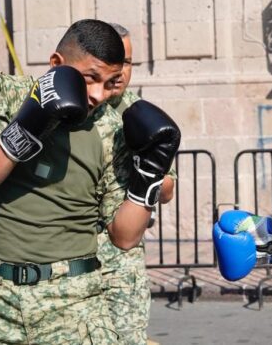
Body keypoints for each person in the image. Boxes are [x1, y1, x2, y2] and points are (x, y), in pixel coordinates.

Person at [0, 19, 180, 343]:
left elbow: (125, 237)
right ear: (57, 63)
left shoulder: (112, 129)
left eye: (110, 82)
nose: (98, 94)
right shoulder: (5, 95)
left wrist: (149, 177)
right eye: (90, 78)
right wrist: (29, 124)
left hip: (73, 302)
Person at [98, 22, 176, 345]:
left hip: (121, 262)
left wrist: (149, 167)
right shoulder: (75, 109)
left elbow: (168, 190)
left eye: (127, 62)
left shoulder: (141, 115)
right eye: (113, 62)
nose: (120, 72)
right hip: (72, 260)